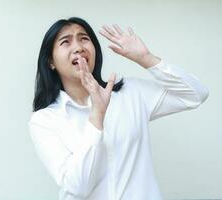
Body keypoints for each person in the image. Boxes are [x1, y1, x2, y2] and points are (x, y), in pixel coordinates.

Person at [28, 17, 209, 200]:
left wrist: (146, 59)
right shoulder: (44, 120)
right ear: (51, 61)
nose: (78, 47)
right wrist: (97, 115)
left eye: (84, 39)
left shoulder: (131, 93)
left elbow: (195, 95)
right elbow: (77, 187)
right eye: (66, 42)